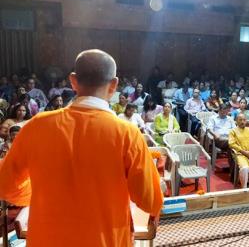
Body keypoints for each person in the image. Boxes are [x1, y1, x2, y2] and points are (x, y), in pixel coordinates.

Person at [0, 49, 163, 246]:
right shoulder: (127, 133)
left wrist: (39, 193)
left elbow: (6, 185)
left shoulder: (36, 126)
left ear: (73, 80)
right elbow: (149, 200)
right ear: (114, 85)